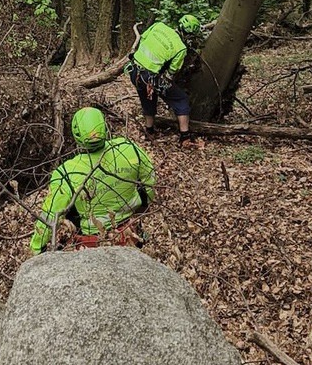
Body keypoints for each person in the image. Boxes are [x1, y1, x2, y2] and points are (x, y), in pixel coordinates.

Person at [30, 107, 156, 254]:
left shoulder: (66, 172)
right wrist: (144, 205)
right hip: (131, 228)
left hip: (93, 243)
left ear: (76, 134)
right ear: (105, 127)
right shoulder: (128, 148)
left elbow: (51, 215)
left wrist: (37, 247)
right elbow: (150, 180)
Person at [126, 14, 201, 146]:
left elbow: (143, 38)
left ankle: (149, 130)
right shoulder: (181, 48)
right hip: (149, 78)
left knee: (148, 96)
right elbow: (172, 71)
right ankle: (185, 136)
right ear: (189, 35)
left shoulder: (158, 26)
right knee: (181, 99)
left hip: (133, 70)